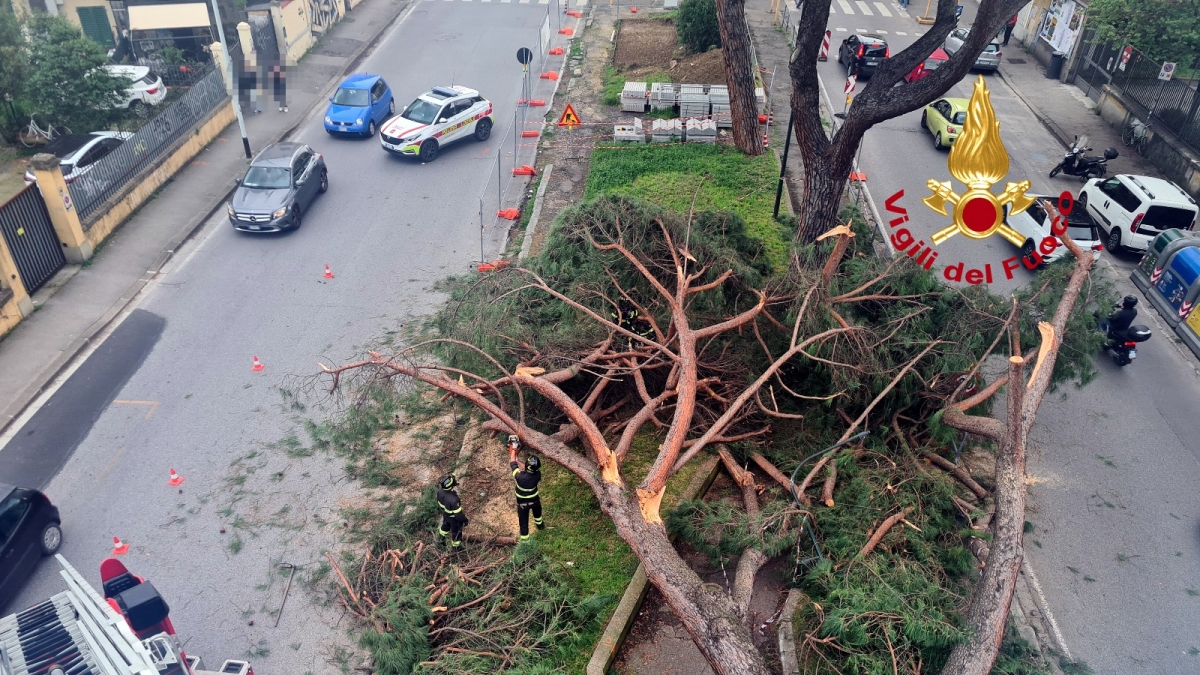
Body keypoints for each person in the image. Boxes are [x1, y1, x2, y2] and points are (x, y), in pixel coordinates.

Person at [508, 435, 543, 541]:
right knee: (538, 515)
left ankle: (525, 541)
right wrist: (518, 461)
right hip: (535, 501)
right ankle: (540, 526)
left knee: (523, 523)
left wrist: (514, 449)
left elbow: (512, 463)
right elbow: (526, 467)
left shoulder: (520, 477)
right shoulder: (538, 474)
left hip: (523, 504)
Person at [436, 474, 468, 549]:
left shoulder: (440, 491)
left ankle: (440, 540)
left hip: (445, 514)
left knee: (445, 526)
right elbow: (458, 515)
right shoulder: (454, 500)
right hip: (453, 518)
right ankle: (456, 548)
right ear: (451, 486)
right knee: (456, 532)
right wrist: (464, 520)